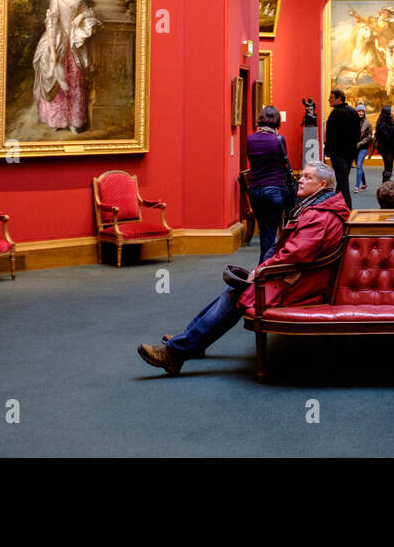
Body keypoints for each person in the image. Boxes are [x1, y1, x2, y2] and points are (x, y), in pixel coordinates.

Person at [137, 163, 349, 374]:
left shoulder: (320, 215)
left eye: (307, 177)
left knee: (238, 293)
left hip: (303, 284)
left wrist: (262, 269)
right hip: (297, 275)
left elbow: (295, 253)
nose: (300, 180)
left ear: (322, 184)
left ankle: (177, 352)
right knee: (237, 289)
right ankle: (190, 340)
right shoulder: (319, 206)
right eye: (301, 176)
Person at [32, 0, 100, 134]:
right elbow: (52, 24)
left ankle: (74, 120)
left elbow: (87, 11)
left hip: (74, 44)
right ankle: (58, 119)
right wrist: (53, 51)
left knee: (75, 80)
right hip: (59, 41)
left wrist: (82, 16)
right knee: (58, 79)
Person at [242, 104, 291, 263]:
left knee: (265, 231)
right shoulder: (278, 139)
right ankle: (264, 268)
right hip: (275, 189)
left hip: (256, 190)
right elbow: (283, 164)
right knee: (271, 232)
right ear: (276, 121)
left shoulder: (250, 139)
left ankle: (263, 265)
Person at [323, 88, 361, 207]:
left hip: (338, 153)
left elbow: (331, 135)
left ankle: (347, 207)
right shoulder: (353, 112)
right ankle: (338, 205)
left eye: (331, 98)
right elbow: (357, 133)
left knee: (342, 181)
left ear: (339, 99)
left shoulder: (335, 114)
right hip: (350, 153)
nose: (329, 100)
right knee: (342, 179)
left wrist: (327, 150)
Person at [375, 106, 394, 183]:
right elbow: (386, 136)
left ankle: (385, 183)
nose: (392, 112)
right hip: (386, 148)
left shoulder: (390, 121)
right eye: (391, 111)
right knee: (388, 166)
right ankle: (385, 183)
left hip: (390, 147)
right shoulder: (382, 124)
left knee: (389, 166)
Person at [354, 104, 373, 192]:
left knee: (358, 165)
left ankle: (356, 186)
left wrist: (361, 143)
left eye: (362, 111)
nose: (361, 113)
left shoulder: (367, 123)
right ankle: (364, 183)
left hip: (363, 147)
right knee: (359, 166)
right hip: (354, 147)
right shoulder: (352, 121)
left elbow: (369, 136)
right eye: (359, 111)